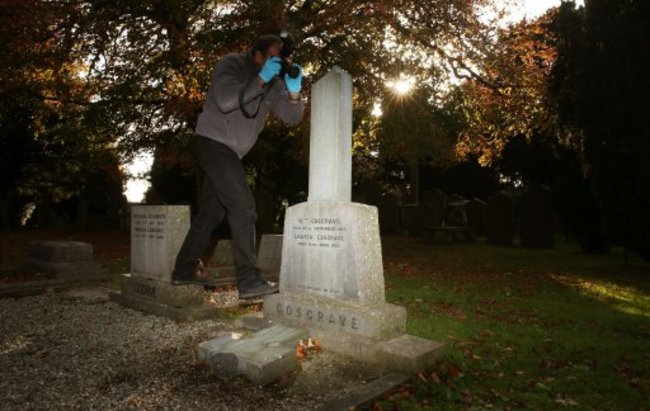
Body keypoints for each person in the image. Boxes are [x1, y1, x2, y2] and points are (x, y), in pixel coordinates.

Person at [171, 34, 304, 299]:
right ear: (257, 52)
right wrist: (260, 80)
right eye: (273, 55)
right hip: (212, 142)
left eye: (281, 57)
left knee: (211, 212)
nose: (278, 61)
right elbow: (225, 101)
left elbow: (292, 118)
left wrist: (293, 94)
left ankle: (183, 270)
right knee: (243, 206)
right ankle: (249, 280)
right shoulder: (232, 64)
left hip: (232, 153)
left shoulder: (274, 83)